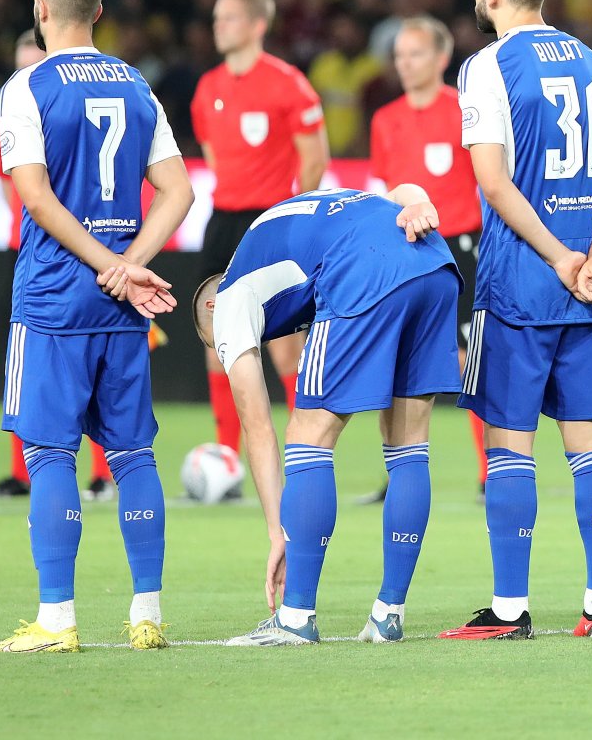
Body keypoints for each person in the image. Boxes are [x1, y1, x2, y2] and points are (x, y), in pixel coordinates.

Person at [0, 0, 193, 653]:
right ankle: (147, 616)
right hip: (119, 306)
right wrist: (132, 265)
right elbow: (179, 191)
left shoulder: (28, 86)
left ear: (41, 11)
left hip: (52, 299)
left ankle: (58, 621)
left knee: (48, 455)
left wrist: (109, 264)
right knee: (133, 456)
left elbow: (35, 197)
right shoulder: (137, 85)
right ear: (97, 12)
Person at [441, 0, 592, 641]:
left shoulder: (488, 67)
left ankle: (508, 610)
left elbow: (492, 182)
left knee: (509, 446)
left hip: (521, 281)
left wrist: (559, 255)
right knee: (590, 443)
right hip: (587, 286)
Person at [192, 184, 461, 646]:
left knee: (308, 435)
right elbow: (400, 192)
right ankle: (388, 615)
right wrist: (421, 201)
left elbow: (258, 430)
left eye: (217, 343)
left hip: (364, 268)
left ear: (212, 310)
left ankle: (295, 619)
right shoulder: (284, 227)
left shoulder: (232, 297)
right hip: (435, 263)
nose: (228, 351)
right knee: (409, 444)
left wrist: (279, 532)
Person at [191, 0, 328, 470]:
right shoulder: (208, 88)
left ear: (257, 25)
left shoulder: (288, 83)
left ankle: (303, 451)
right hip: (223, 221)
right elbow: (214, 157)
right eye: (216, 19)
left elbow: (315, 160)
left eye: (228, 18)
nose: (218, 27)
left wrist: (286, 216)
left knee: (283, 346)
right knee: (216, 340)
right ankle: (228, 456)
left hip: (269, 222)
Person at [0, 28, 119, 502]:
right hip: (37, 254)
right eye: (19, 67)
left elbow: (33, 199)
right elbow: (17, 202)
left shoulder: (65, 107)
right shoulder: (12, 117)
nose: (24, 75)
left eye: (32, 65)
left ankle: (101, 474)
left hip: (68, 254)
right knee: (32, 375)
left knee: (91, 372)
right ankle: (23, 474)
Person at [367, 15, 489, 504]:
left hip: (457, 249)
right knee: (394, 361)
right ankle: (398, 472)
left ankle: (489, 470)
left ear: (441, 59)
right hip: (403, 254)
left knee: (469, 361)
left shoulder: (465, 110)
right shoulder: (385, 120)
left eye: (415, 53)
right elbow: (384, 191)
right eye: (399, 54)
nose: (404, 62)